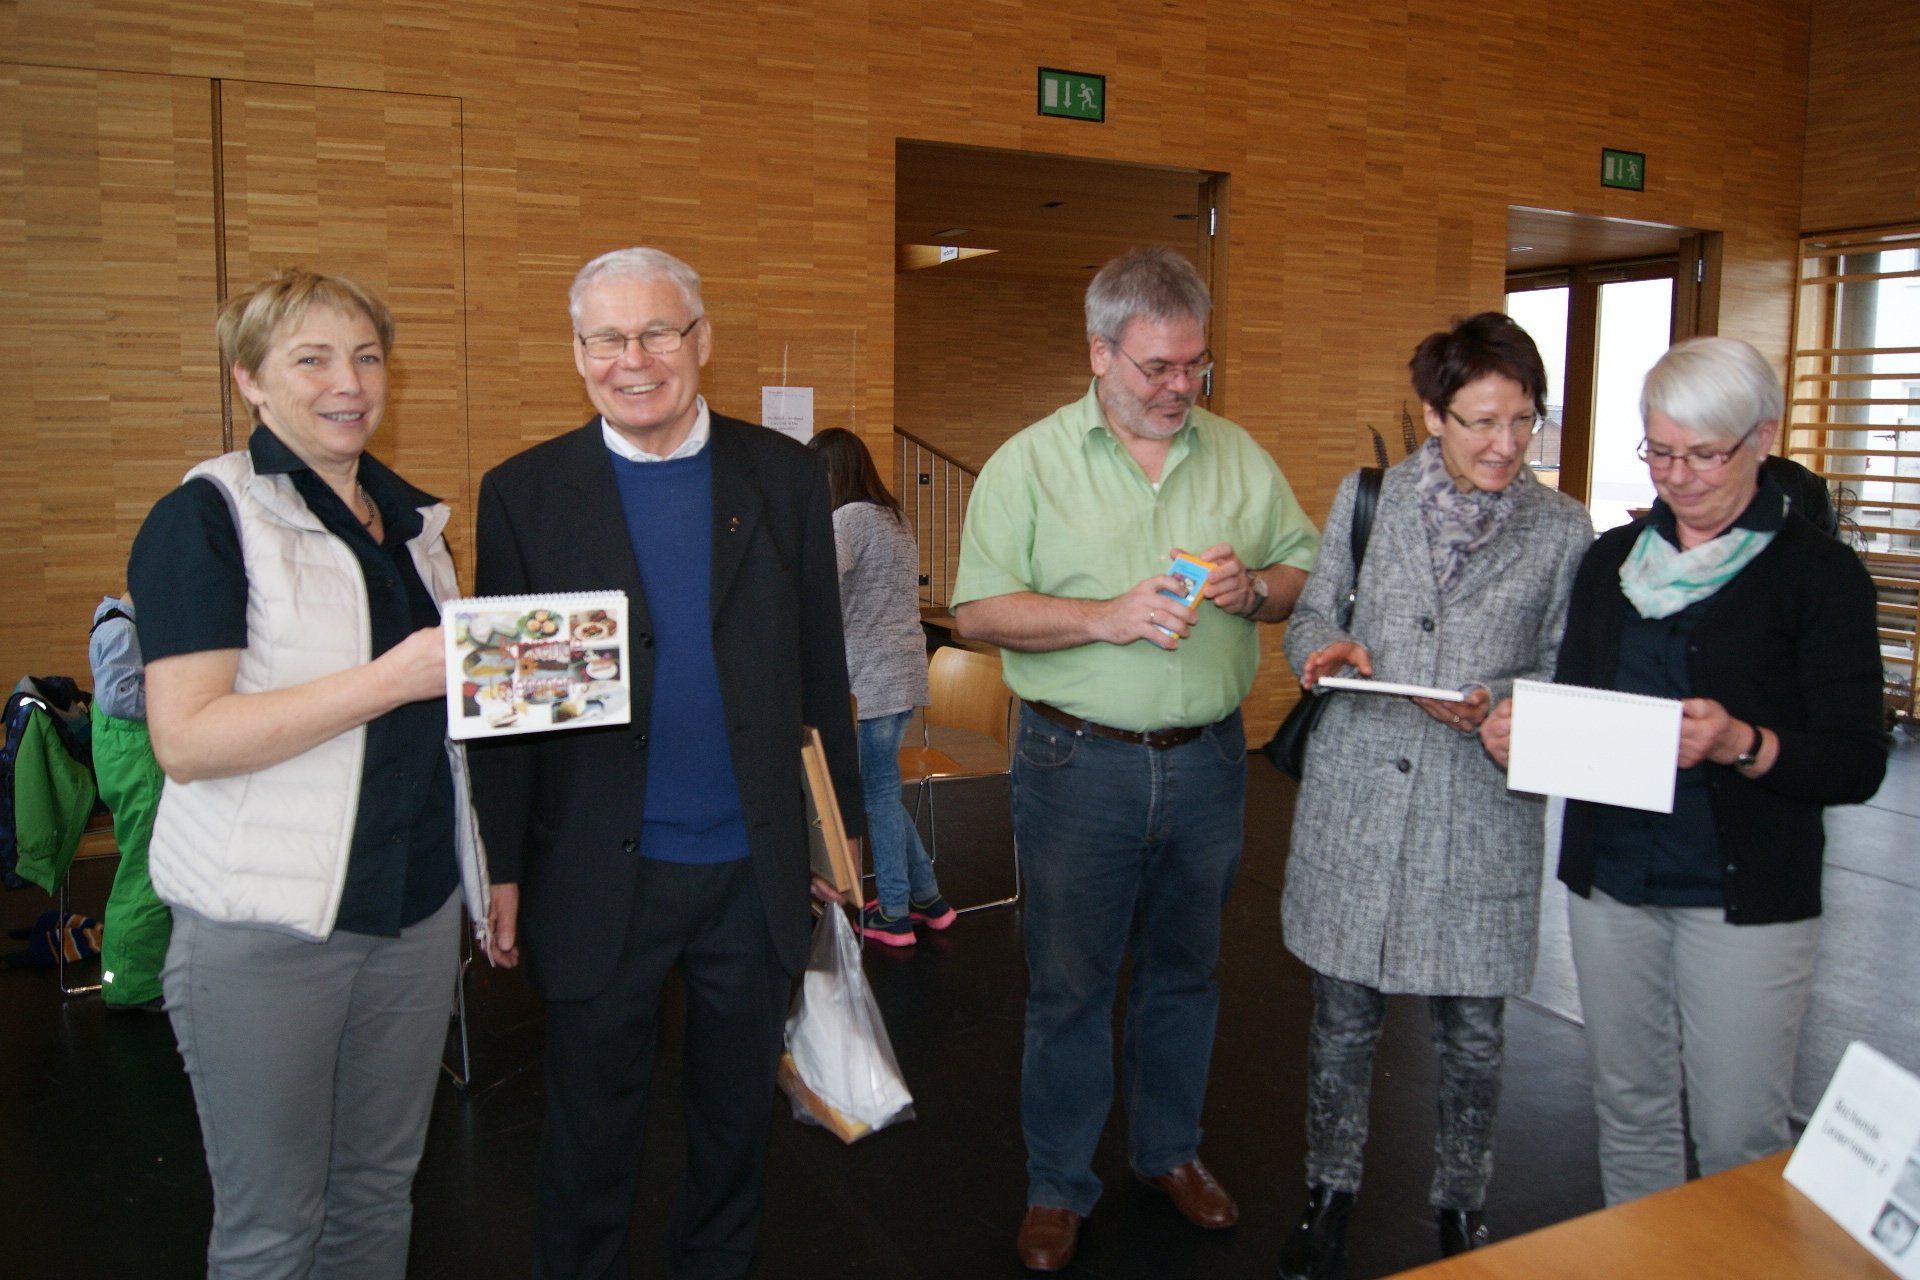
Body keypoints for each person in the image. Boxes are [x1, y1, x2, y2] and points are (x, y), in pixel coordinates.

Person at [469, 246, 864, 1280]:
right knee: (588, 1133)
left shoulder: (783, 478)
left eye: (657, 332)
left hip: (752, 866)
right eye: (607, 338)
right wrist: (500, 864)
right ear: (577, 353)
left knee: (734, 1129)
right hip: (597, 868)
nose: (633, 359)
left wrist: (838, 835)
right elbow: (509, 711)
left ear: (702, 341)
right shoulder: (523, 493)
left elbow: (820, 669)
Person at [950, 246, 1320, 1272]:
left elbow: (1304, 568)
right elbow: (977, 611)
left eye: (1195, 364)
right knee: (1069, 985)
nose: (1179, 387)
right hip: (1075, 765)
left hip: (1208, 762)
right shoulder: (1029, 462)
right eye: (1157, 366)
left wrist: (1259, 591)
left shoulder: (1238, 454)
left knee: (1184, 973)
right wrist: (1101, 616)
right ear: (1100, 354)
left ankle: (1169, 1152)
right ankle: (1058, 1183)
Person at [128, 268, 496, 1278]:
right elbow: (187, 739)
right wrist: (388, 680)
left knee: (378, 1197)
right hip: (269, 930)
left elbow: (440, 728)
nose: (349, 382)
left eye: (367, 357)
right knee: (273, 1229)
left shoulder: (414, 528)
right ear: (249, 379)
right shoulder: (206, 518)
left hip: (413, 912)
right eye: (313, 359)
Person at [1481, 336, 1889, 1206]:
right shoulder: (1611, 563)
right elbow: (1579, 707)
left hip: (1742, 895)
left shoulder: (1817, 575)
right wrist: (1525, 735)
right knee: (1628, 1109)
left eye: (1704, 455)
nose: (1678, 477)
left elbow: (1857, 761)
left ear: (1762, 437)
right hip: (1613, 881)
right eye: (1660, 452)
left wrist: (1744, 742)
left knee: (1739, 1131)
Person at [1275, 312, 1591, 1278]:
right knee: (1342, 1020)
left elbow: (1568, 667)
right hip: (1360, 797)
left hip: (1482, 806)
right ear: (1432, 415)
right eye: (1482, 422)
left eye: (1524, 421)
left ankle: (1461, 1206)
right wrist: (1322, 650)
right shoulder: (1368, 497)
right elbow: (1314, 614)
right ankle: (1328, 1192)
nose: (1506, 444)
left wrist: (1500, 698)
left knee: (1474, 1034)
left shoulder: (1562, 528)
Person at [807, 427, 957, 946]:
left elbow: (816, 585)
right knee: (883, 790)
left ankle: (893, 912)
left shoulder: (846, 520)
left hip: (871, 677)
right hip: (904, 671)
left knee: (876, 795)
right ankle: (928, 898)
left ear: (830, 473)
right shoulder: (893, 517)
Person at [86, 594, 170, 1013]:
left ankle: (140, 975)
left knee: (146, 866)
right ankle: (128, 986)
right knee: (145, 872)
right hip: (136, 762)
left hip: (126, 760)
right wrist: (177, 701)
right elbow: (119, 696)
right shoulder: (121, 630)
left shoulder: (112, 620)